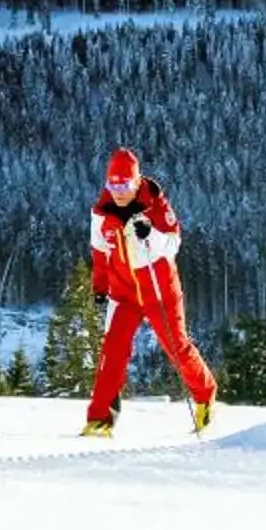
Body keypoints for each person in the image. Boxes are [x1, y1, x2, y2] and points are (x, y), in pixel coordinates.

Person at [84, 146, 217, 437]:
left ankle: (205, 395)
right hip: (124, 292)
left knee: (177, 347)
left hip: (159, 289)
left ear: (136, 181)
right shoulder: (101, 213)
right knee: (113, 352)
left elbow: (174, 244)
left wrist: (151, 235)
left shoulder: (156, 205)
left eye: (125, 185)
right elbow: (99, 251)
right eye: (113, 184)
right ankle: (100, 419)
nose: (119, 192)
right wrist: (100, 287)